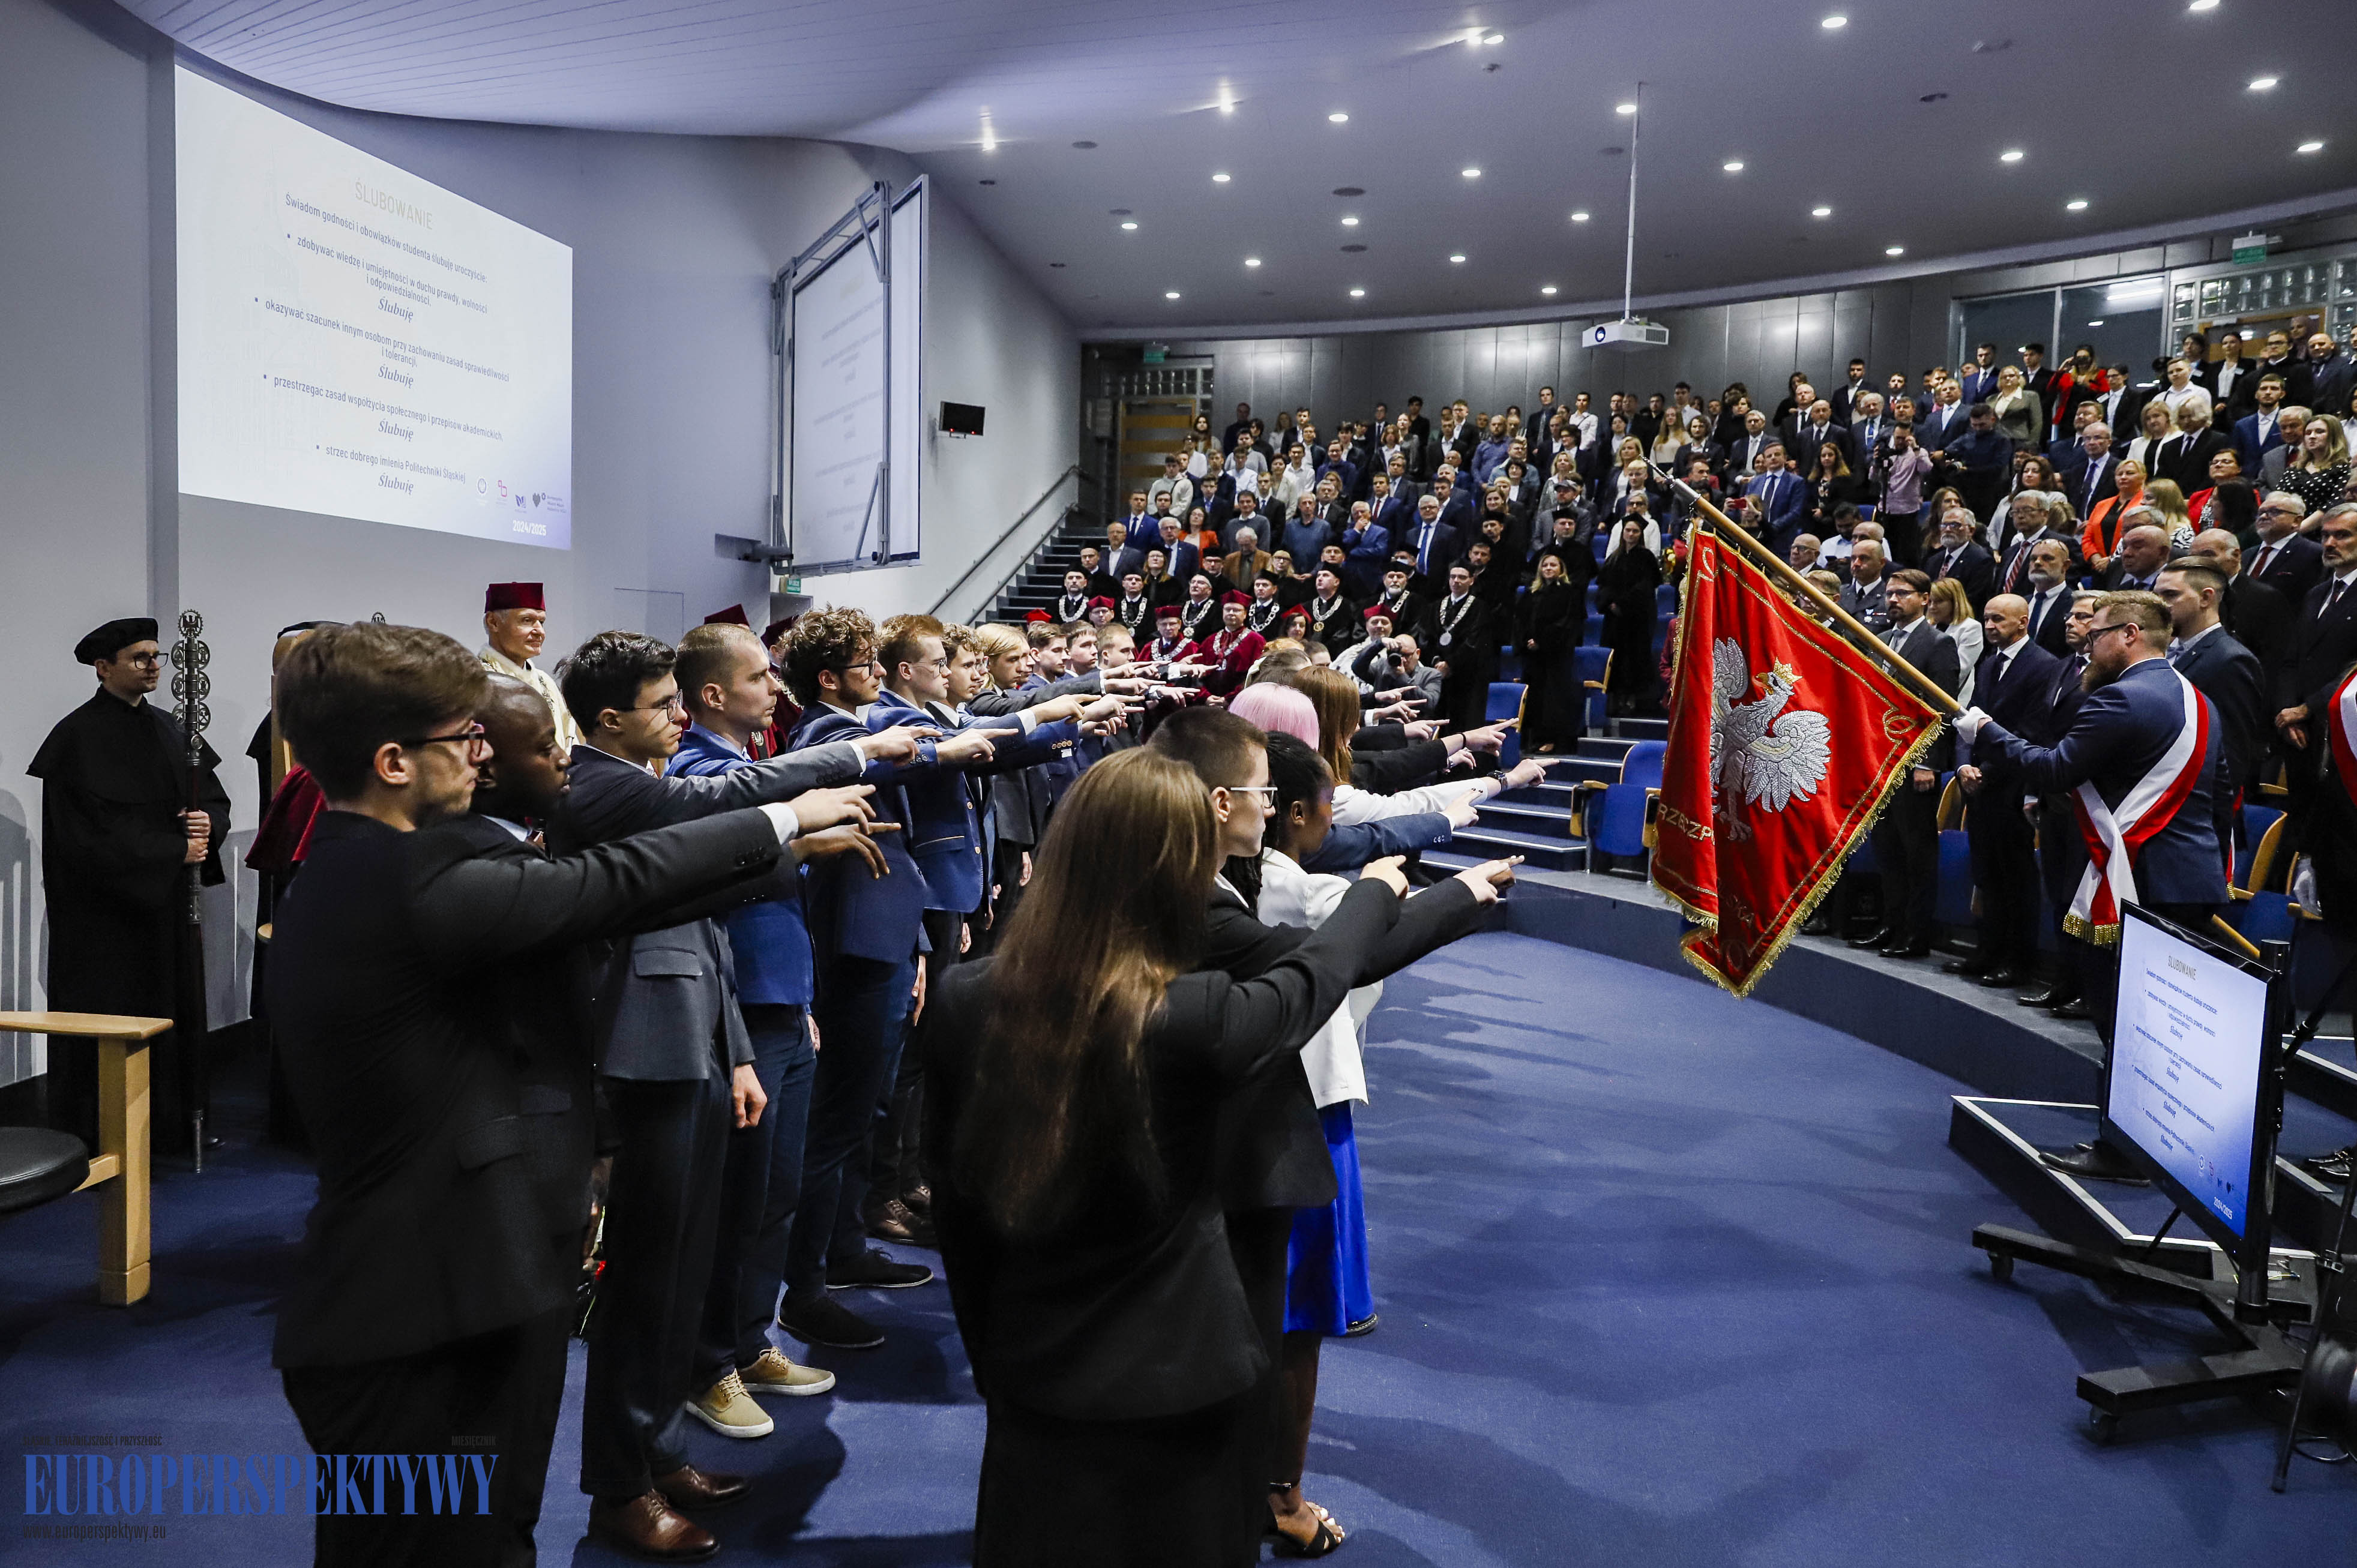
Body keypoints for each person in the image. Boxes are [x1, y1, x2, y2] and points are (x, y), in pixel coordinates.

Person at [265, 624, 860, 1567]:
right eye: (462, 738)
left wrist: (785, 849)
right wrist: (781, 819)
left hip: (465, 1281)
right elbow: (606, 882)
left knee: (488, 1539)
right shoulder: (403, 878)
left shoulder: (403, 863)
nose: (482, 755)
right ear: (391, 762)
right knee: (431, 1549)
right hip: (417, 1311)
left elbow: (611, 894)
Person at [918, 747, 1414, 1567]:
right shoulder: (1194, 1015)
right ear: (1177, 867)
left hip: (1031, 1370)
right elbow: (1317, 973)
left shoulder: (968, 996)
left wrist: (994, 1359)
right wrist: (1373, 891)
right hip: (1183, 1377)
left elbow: (957, 1203)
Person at [546, 629, 906, 1555]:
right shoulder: (600, 782)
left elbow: (704, 929)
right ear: (609, 717)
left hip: (696, 1048)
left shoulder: (636, 786)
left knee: (680, 1277)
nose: (678, 716)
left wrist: (737, 1050)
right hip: (641, 1060)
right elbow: (730, 812)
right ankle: (619, 1489)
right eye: (663, 704)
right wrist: (820, 793)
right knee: (644, 1286)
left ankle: (658, 1450)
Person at [1958, 590, 2230, 1050]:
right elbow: (2221, 791)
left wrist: (1985, 731)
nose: (2086, 642)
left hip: (2134, 875)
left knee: (2124, 1016)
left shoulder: (2120, 699)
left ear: (2130, 634)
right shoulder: (2199, 699)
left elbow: (2055, 769)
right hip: (2189, 876)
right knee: (2168, 1018)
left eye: (2097, 633)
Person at [30, 617, 231, 1155]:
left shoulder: (173, 728)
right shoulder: (75, 738)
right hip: (105, 922)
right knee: (113, 1020)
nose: (153, 666)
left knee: (174, 1012)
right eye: (139, 657)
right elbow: (83, 839)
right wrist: (172, 851)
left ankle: (173, 1122)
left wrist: (207, 827)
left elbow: (212, 796)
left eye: (157, 656)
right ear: (103, 667)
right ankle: (101, 1136)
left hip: (165, 911)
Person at [1945, 596, 2061, 989]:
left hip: (2013, 786)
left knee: (2016, 879)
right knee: (1986, 872)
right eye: (1986, 617)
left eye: (1998, 618)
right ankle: (1986, 951)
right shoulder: (1990, 662)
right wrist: (1963, 765)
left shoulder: (2043, 665)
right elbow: (1970, 719)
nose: (1989, 624)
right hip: (1979, 784)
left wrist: (1985, 771)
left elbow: (2032, 732)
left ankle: (2017, 961)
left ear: (2022, 622)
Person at [1846, 571, 1960, 959]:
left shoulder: (1938, 643)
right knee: (1887, 849)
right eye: (1889, 593)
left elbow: (1941, 706)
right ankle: (1890, 923)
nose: (1892, 599)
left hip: (1915, 763)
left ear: (1925, 599)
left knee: (1916, 853)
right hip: (1880, 761)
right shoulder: (1881, 641)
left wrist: (1928, 761)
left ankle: (1916, 933)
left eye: (1902, 594)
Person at [2155, 560, 2268, 795]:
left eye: (2170, 595)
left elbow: (2231, 756)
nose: (2159, 606)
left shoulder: (2231, 660)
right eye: (2156, 596)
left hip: (2196, 807)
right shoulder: (2164, 650)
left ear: (2206, 598)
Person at [480, 582, 582, 754]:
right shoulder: (475, 681)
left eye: (541, 622)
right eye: (527, 621)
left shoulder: (546, 683)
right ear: (493, 622)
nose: (539, 631)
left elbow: (567, 743)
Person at [1519, 550, 1587, 751]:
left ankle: (1552, 740)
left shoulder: (1569, 592)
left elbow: (1567, 624)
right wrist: (1528, 641)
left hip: (1557, 654)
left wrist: (1541, 641)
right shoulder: (1531, 592)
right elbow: (1520, 621)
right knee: (1535, 695)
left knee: (1554, 696)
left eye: (1553, 565)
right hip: (1533, 656)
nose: (1549, 568)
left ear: (1561, 569)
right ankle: (1534, 738)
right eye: (1545, 565)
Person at [1419, 560, 1498, 732]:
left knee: (1462, 721)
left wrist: (1450, 664)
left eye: (1462, 577)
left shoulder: (1480, 608)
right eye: (1453, 577)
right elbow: (1426, 638)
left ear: (1472, 580)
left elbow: (1474, 641)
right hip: (1437, 671)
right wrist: (1437, 661)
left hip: (1466, 674)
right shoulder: (1435, 607)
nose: (1456, 581)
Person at [1597, 520, 1662, 716]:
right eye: (1628, 530)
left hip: (1636, 620)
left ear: (1640, 534)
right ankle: (1615, 700)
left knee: (1635, 660)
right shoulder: (1614, 558)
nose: (1631, 534)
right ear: (1622, 532)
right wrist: (1610, 603)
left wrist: (1623, 604)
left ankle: (1632, 701)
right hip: (1614, 621)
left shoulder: (1646, 557)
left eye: (1635, 531)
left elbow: (1645, 588)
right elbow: (1604, 586)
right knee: (1616, 659)